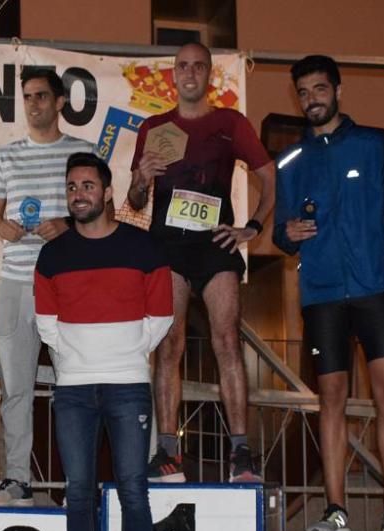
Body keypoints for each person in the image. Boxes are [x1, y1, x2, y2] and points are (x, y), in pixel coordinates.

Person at [273, 55, 384, 531]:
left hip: (374, 289)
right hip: (320, 295)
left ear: (338, 90)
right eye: (303, 92)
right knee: (330, 398)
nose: (312, 98)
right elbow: (281, 231)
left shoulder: (374, 147)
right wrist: (288, 233)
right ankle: (335, 510)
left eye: (320, 88)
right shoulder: (291, 161)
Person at [33, 153, 172, 531]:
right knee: (77, 492)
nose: (79, 194)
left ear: (108, 192)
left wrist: (125, 356)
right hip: (72, 391)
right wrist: (77, 362)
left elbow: (161, 317)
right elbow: (46, 325)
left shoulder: (143, 247)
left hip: (129, 387)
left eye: (88, 185)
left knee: (135, 491)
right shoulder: (52, 254)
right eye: (72, 187)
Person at [127, 42, 275, 484]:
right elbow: (136, 201)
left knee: (226, 341)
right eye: (182, 66)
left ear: (209, 74)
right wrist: (140, 180)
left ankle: (241, 453)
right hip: (168, 248)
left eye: (198, 66)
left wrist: (252, 226)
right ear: (173, 75)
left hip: (215, 245)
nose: (190, 73)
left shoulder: (230, 123)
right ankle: (168, 452)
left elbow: (269, 176)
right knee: (168, 347)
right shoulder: (154, 127)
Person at [0, 67, 96, 507]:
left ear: (61, 101)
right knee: (15, 386)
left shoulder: (81, 152)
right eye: (27, 96)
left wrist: (67, 224)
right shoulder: (5, 156)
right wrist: (0, 226)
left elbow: (97, 210)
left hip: (67, 281)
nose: (34, 104)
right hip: (14, 280)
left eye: (42, 96)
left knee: (75, 385)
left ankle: (77, 484)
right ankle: (17, 481)